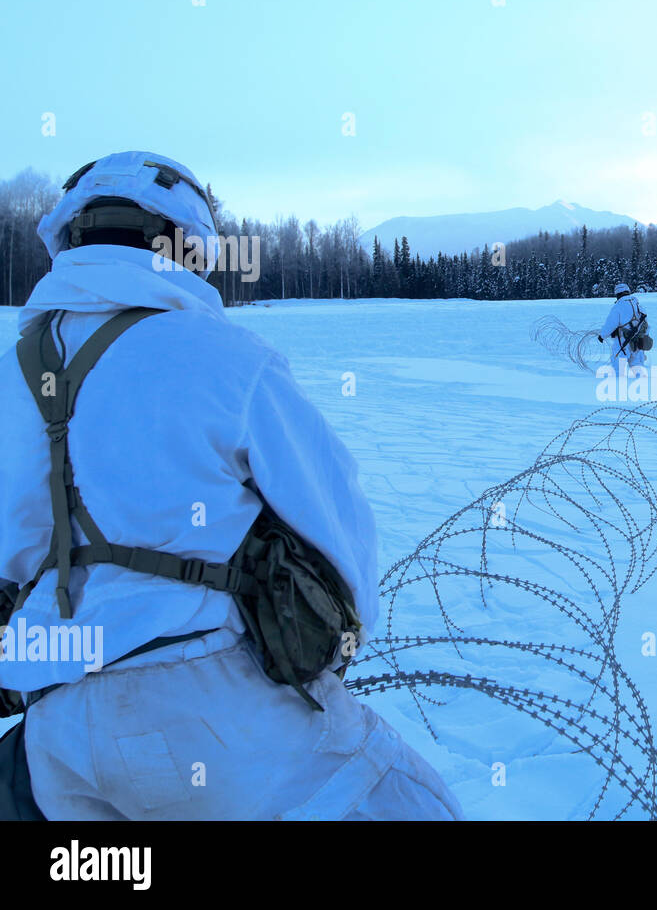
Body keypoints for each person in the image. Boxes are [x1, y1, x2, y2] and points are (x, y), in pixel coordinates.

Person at [0, 151, 463, 820]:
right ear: (183, 245)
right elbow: (337, 533)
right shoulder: (224, 357)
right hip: (213, 703)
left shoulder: (8, 379)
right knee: (405, 801)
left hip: (56, 726)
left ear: (70, 240)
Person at [596, 283, 649, 376]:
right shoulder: (637, 304)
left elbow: (611, 324)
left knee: (619, 363)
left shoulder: (618, 307)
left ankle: (618, 383)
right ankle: (642, 383)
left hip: (623, 341)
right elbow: (646, 323)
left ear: (617, 294)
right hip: (639, 340)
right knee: (637, 363)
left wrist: (602, 336)